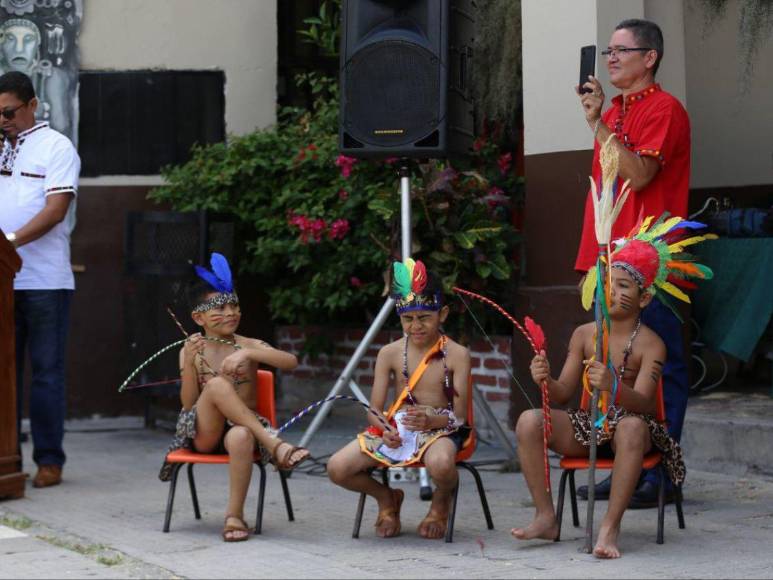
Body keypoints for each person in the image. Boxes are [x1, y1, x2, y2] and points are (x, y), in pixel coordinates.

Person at [512, 214, 714, 558]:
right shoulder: (584, 335)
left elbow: (647, 406)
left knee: (633, 427)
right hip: (586, 426)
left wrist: (613, 386)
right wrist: (544, 379)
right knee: (529, 421)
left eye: (623, 286)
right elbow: (563, 394)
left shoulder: (652, 345)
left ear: (644, 298)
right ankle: (546, 516)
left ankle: (609, 527)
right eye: (608, 282)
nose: (612, 291)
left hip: (632, 429)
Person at [575, 18, 692, 508]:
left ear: (651, 58)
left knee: (659, 364)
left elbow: (640, 175)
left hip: (649, 262)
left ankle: (663, 472)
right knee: (612, 364)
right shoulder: (617, 110)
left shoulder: (665, 108)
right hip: (608, 259)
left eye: (623, 51)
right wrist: (589, 262)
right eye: (608, 52)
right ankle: (625, 466)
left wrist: (597, 124)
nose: (611, 59)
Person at [158, 253, 310, 542]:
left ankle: (234, 516)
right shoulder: (193, 348)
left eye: (234, 305)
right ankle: (275, 445)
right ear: (198, 317)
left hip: (244, 430)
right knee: (215, 387)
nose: (230, 313)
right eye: (220, 307)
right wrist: (190, 364)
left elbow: (290, 361)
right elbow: (188, 403)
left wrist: (250, 353)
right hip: (203, 432)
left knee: (240, 436)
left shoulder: (249, 345)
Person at [327, 259, 472, 539]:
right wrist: (385, 428)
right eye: (408, 319)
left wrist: (432, 420)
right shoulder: (389, 353)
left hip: (441, 428)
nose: (415, 326)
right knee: (337, 468)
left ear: (442, 314)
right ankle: (386, 498)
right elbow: (374, 410)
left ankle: (441, 502)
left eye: (424, 317)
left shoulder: (457, 354)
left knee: (441, 464)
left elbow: (460, 416)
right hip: (397, 428)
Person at [0, 70, 80, 489]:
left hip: (44, 281)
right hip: (2, 283)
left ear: (32, 105)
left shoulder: (56, 146)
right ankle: (7, 459)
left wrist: (7, 243)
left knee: (46, 373)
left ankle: (49, 460)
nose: (3, 120)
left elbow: (55, 211)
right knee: (2, 375)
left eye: (9, 112)